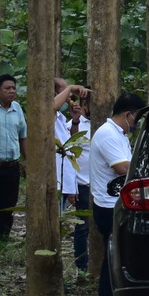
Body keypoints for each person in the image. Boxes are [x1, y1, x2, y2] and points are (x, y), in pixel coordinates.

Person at [88, 92, 146, 296]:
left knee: (115, 255)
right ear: (127, 114)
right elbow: (122, 168)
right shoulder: (108, 136)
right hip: (109, 206)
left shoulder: (118, 134)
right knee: (113, 256)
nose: (136, 123)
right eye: (136, 118)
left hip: (117, 202)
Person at [0, 73, 29, 242]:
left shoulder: (17, 109)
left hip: (11, 166)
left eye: (13, 88)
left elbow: (23, 136)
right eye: (7, 88)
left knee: (8, 207)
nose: (12, 91)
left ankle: (1, 241)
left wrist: (27, 159)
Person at [54, 88, 92, 277]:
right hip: (82, 183)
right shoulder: (71, 122)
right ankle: (81, 267)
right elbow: (70, 147)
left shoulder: (107, 125)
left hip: (102, 185)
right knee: (82, 226)